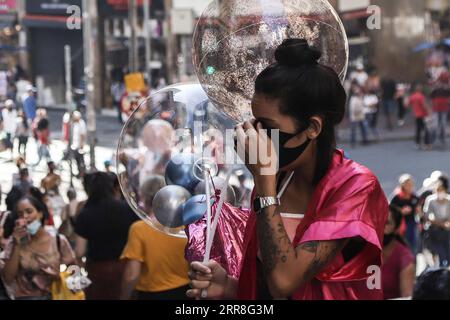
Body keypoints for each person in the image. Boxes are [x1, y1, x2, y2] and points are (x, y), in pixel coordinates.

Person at [188, 39, 389, 300]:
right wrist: (230, 288)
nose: (256, 135)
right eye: (254, 122)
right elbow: (269, 284)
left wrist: (264, 185)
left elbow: (285, 281)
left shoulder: (356, 186)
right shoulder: (276, 180)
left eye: (267, 126)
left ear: (313, 128)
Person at [120, 175, 191, 300]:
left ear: (144, 197)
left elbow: (132, 275)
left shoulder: (139, 228)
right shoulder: (184, 225)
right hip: (185, 292)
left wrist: (123, 297)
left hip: (152, 295)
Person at [74, 172, 138, 300]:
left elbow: (79, 251)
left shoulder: (85, 214)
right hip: (126, 268)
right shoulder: (127, 209)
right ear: (112, 187)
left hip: (98, 272)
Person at [1, 196, 76, 300]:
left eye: (29, 211)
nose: (25, 217)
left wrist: (60, 277)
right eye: (20, 214)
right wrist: (17, 245)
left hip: (56, 295)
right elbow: (8, 278)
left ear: (40, 213)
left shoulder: (58, 240)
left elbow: (77, 280)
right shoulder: (14, 242)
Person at [382, 205, 416, 300]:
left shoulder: (404, 258)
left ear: (396, 229)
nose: (380, 226)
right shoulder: (362, 251)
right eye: (378, 220)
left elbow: (407, 296)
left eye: (387, 223)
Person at [423, 177, 450, 267]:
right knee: (439, 252)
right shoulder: (431, 200)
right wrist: (441, 224)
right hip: (434, 231)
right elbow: (427, 216)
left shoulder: (448, 200)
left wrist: (447, 223)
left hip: (447, 231)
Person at [391, 174, 420, 254]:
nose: (409, 186)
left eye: (411, 184)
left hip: (412, 223)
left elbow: (418, 209)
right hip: (400, 225)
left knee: (413, 244)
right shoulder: (397, 197)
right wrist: (400, 211)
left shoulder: (414, 196)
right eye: (407, 184)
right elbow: (390, 209)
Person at [408, 83, 431, 150]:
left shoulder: (412, 96)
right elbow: (424, 105)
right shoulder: (421, 96)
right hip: (423, 115)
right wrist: (429, 111)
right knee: (426, 129)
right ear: (420, 89)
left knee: (418, 129)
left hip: (416, 115)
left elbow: (407, 104)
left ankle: (417, 143)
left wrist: (413, 108)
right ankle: (427, 144)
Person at [430, 76, 450, 148]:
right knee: (435, 125)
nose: (440, 83)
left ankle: (442, 138)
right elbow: (431, 96)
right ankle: (432, 139)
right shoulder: (435, 89)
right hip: (436, 108)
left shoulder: (446, 89)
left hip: (443, 108)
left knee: (443, 124)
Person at [70, 111, 87, 179]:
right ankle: (79, 173)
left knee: (81, 161)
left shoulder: (81, 123)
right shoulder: (74, 123)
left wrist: (81, 144)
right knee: (77, 160)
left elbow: (82, 135)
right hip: (74, 144)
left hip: (79, 145)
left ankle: (82, 173)